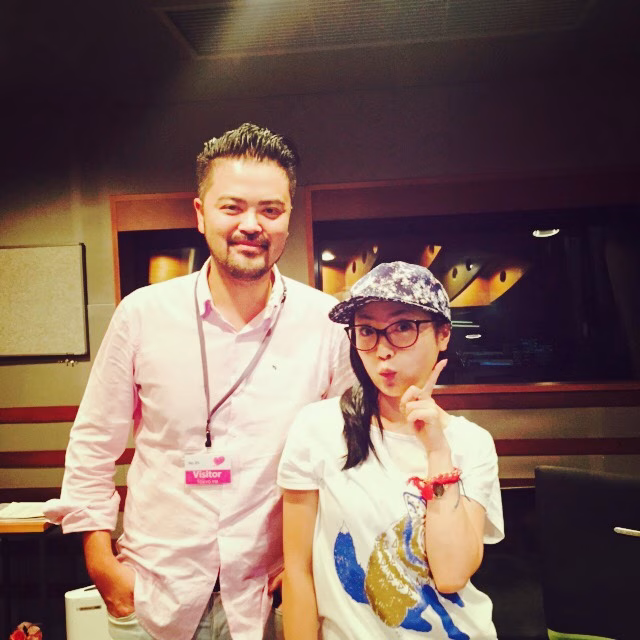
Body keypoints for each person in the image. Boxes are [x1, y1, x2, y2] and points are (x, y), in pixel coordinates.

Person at [44, 123, 352, 640]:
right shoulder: (142, 314)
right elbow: (94, 442)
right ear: (200, 213)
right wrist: (101, 562)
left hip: (271, 596)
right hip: (154, 591)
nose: (251, 224)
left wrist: (312, 560)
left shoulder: (326, 323)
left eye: (270, 210)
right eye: (232, 207)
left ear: (288, 218)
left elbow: (346, 455)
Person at [278, 261, 504, 639]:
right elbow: (298, 572)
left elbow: (451, 575)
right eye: (367, 331)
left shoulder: (471, 442)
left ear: (443, 334)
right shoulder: (318, 428)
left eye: (402, 328)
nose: (382, 350)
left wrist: (437, 451)